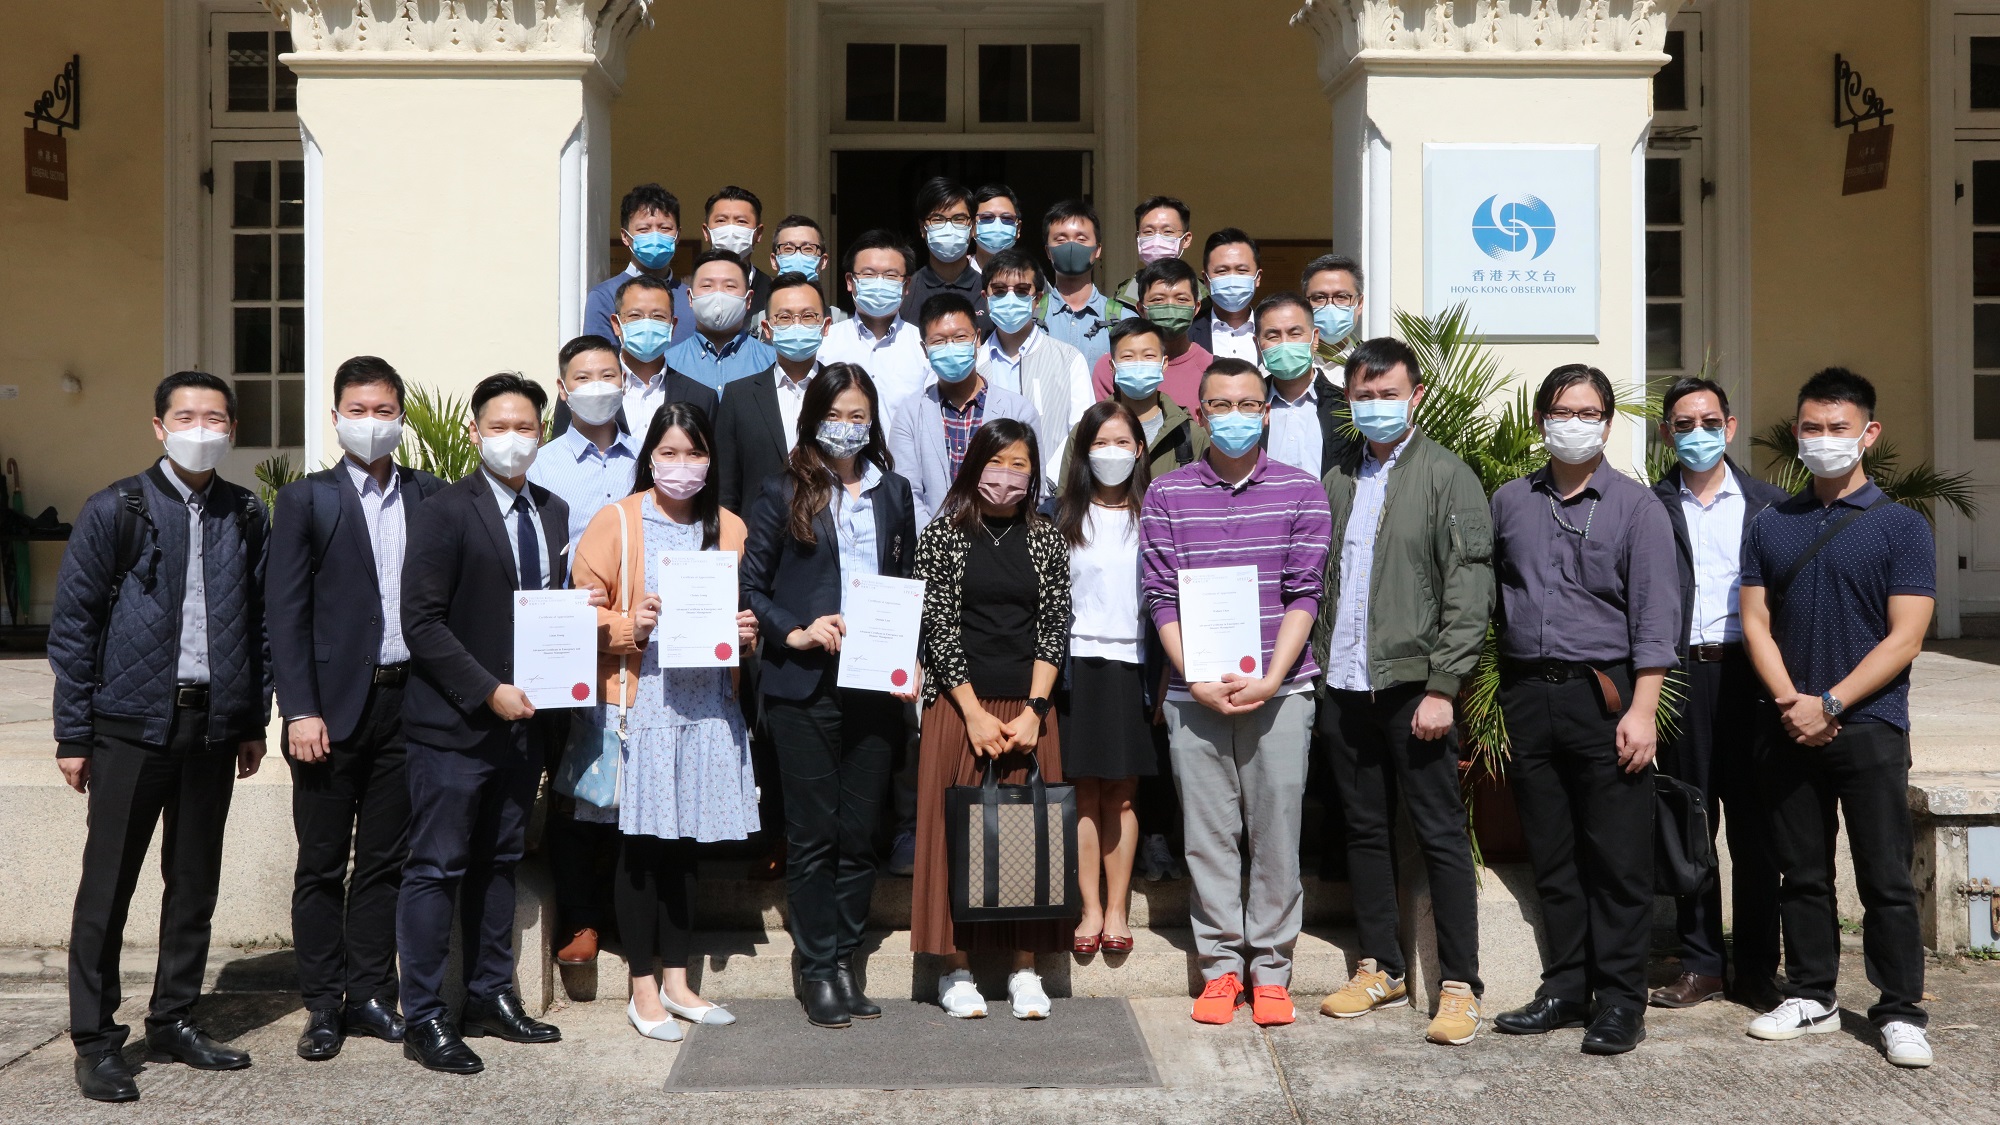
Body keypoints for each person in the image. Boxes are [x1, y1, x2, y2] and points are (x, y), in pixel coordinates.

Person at [50, 372, 271, 1103]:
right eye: (185, 415)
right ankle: (96, 1039)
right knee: (107, 886)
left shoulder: (244, 512)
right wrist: (72, 733)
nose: (200, 427)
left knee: (194, 881)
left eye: (214, 417)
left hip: (212, 727)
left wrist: (250, 718)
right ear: (158, 427)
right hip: (128, 728)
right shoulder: (119, 506)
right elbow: (75, 626)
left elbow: (260, 624)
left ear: (231, 429)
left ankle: (174, 1017)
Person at [1738, 368, 1936, 1069]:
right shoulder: (1772, 523)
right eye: (1812, 428)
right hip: (1788, 724)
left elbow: (1905, 636)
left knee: (1884, 873)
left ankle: (1901, 1008)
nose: (1824, 440)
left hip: (1871, 724)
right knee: (1803, 870)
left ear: (1868, 434)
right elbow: (1755, 623)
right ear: (1797, 433)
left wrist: (1830, 702)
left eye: (1838, 428)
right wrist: (1793, 700)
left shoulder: (1901, 526)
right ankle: (1813, 992)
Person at [1487, 364, 1678, 1057]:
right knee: (1554, 853)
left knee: (1617, 857)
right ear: (1542, 420)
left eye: (1589, 411)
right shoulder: (1510, 500)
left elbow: (1656, 618)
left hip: (1606, 697)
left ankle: (1621, 999)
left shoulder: (1636, 507)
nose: (1576, 422)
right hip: (1529, 695)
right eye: (1563, 411)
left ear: (1606, 420)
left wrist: (1642, 709)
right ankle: (1565, 987)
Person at [1306, 338, 1492, 1046]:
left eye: (1388, 392)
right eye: (1363, 393)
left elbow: (1469, 590)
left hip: (1417, 688)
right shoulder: (1339, 478)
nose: (1375, 404)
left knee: (1440, 834)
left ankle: (1460, 983)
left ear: (1415, 396)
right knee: (1363, 827)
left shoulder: (1447, 476)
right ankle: (1379, 965)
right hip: (1347, 684)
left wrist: (1445, 685)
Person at [1139, 358, 1331, 1029]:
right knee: (1209, 835)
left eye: (1249, 404)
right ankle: (1221, 967)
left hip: (1281, 690)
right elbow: (1160, 594)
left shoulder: (1303, 491)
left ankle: (1272, 970)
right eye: (1221, 404)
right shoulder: (1166, 496)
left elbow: (1306, 591)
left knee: (1277, 832)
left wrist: (1275, 675)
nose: (1236, 415)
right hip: (1196, 696)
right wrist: (1191, 674)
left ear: (1268, 412)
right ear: (1200, 415)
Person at [398, 373, 579, 1074]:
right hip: (454, 725)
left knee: (500, 861)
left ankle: (489, 993)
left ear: (542, 433)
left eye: (527, 426)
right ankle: (425, 1016)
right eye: (500, 426)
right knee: (437, 866)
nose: (514, 438)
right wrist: (487, 690)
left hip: (523, 727)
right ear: (475, 433)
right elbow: (422, 621)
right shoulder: (446, 510)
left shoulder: (554, 510)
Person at [569, 401, 761, 1042]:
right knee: (643, 849)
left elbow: (741, 613)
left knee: (685, 851)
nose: (682, 466)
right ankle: (643, 988)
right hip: (641, 702)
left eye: (695, 453)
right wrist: (627, 626)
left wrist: (745, 631)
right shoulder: (618, 522)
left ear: (712, 460)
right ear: (650, 456)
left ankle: (679, 981)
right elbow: (573, 613)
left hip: (707, 706)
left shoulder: (728, 527)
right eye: (670, 453)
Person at [269, 357, 444, 1062]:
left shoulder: (430, 495)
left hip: (408, 703)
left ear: (400, 416)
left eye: (384, 409)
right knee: (319, 862)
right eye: (358, 409)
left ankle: (371, 991)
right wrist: (299, 708)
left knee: (382, 861)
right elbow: (285, 612)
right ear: (336, 416)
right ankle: (321, 1003)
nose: (372, 422)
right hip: (330, 711)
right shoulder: (308, 500)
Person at [740, 364, 919, 1028]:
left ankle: (844, 958)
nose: (848, 426)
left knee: (859, 831)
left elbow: (904, 581)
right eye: (836, 413)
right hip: (802, 684)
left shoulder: (892, 491)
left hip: (876, 682)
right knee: (813, 833)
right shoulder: (782, 489)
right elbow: (752, 585)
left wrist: (912, 657)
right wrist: (797, 628)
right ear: (814, 415)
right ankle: (816, 968)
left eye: (858, 415)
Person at [910, 419, 1072, 1020]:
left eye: (1019, 465)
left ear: (1033, 474)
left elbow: (1055, 624)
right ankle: (956, 970)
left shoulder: (1047, 538)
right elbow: (940, 628)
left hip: (1028, 709)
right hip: (961, 709)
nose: (1006, 476)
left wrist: (1034, 710)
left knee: (1027, 840)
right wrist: (973, 713)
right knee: (957, 837)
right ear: (973, 465)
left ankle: (1025, 969)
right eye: (995, 462)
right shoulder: (943, 535)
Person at [1645, 376, 1787, 1011]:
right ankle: (1701, 961)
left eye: (1708, 422)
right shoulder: (1650, 507)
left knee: (1756, 829)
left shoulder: (1772, 506)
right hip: (1681, 678)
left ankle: (1757, 966)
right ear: (1667, 433)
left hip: (1752, 679)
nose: (1696, 434)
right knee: (1690, 822)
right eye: (1682, 424)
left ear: (1729, 427)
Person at [1050, 401, 1159, 957]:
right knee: (1082, 793)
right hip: (1074, 667)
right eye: (1099, 443)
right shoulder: (1058, 515)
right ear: (1082, 451)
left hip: (1134, 667)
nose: (1111, 453)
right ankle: (1088, 908)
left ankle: (1118, 907)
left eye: (1122, 442)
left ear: (1140, 449)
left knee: (1121, 794)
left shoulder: (1156, 511)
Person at [888, 293, 1040, 530]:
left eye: (960, 337)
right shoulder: (909, 413)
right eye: (938, 341)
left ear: (977, 338)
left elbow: (1030, 488)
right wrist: (936, 545)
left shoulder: (1018, 411)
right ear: (925, 349)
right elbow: (906, 491)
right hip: (933, 551)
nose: (951, 347)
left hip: (1002, 543)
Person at [977, 246, 1093, 486]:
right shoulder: (973, 365)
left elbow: (1081, 431)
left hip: (1050, 495)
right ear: (985, 297)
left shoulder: (1069, 359)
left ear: (1038, 298)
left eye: (1021, 291)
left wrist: (1046, 482)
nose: (1010, 298)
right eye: (999, 290)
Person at [717, 273, 830, 513]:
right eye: (785, 317)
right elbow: (726, 490)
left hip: (833, 539)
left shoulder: (843, 392)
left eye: (808, 316)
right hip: (760, 541)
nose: (797, 324)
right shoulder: (739, 397)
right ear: (767, 328)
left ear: (826, 325)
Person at [552, 278, 717, 439]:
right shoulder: (580, 390)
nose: (646, 324)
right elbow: (561, 455)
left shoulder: (702, 398)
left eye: (658, 316)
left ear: (672, 326)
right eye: (635, 316)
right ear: (617, 325)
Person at [820, 228, 930, 420]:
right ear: (849, 281)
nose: (879, 283)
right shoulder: (824, 343)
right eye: (868, 274)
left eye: (891, 275)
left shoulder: (924, 347)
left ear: (906, 285)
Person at [1251, 292, 1356, 479]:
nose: (1285, 344)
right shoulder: (1247, 408)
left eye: (1295, 334)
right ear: (1258, 344)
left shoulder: (1345, 408)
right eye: (1273, 335)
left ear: (1314, 338)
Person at [1089, 258, 1214, 408]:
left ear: (1196, 308)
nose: (1170, 307)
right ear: (1141, 308)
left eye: (1181, 299)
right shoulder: (1113, 367)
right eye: (1158, 299)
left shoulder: (1213, 369)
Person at [585, 183, 693, 345]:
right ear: (625, 236)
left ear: (678, 235)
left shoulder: (691, 299)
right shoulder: (604, 296)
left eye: (665, 228)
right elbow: (599, 361)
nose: (655, 236)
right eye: (644, 229)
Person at [662, 249, 778, 393]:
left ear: (748, 299)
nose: (718, 294)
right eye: (707, 286)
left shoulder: (773, 362)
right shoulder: (667, 364)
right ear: (690, 298)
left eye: (730, 286)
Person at [1036, 197, 1121, 369]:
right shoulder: (1030, 319)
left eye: (1081, 239)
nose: (1071, 246)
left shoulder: (1123, 320)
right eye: (1061, 240)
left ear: (1097, 250)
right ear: (1048, 252)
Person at [900, 176, 985, 330]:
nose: (948, 227)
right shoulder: (905, 293)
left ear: (972, 227)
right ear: (922, 228)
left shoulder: (989, 291)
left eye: (959, 219)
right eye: (937, 219)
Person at [751, 214, 848, 333]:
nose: (798, 255)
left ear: (823, 261)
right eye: (787, 249)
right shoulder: (757, 325)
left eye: (808, 248)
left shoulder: (841, 323)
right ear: (774, 260)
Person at [1112, 195, 1205, 307]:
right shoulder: (1119, 305)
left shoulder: (1208, 302)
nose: (1157, 240)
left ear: (1186, 239)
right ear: (1137, 238)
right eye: (1148, 231)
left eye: (1167, 231)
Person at [1190, 228, 1260, 363]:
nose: (1232, 279)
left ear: (1258, 277)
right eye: (1222, 271)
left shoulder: (1275, 333)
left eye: (1242, 270)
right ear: (1206, 279)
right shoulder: (1187, 336)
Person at [703, 184, 774, 316]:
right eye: (721, 220)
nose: (731, 229)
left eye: (741, 221)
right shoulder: (692, 291)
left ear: (758, 233)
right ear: (706, 232)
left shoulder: (774, 292)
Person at [1302, 254, 1364, 371]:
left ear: (1359, 303)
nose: (1330, 306)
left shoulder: (1374, 366)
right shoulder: (1286, 367)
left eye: (1341, 296)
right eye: (1319, 297)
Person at [971, 183, 1022, 273]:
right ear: (972, 227)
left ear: (1018, 229)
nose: (997, 226)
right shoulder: (955, 274)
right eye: (987, 217)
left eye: (1007, 218)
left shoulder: (1031, 278)